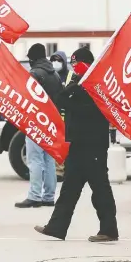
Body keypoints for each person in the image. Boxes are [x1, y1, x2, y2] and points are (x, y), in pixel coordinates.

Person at [34, 47, 119, 242]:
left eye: (77, 63)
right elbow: (63, 101)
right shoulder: (78, 82)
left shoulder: (97, 85)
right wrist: (72, 87)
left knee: (100, 190)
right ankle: (57, 227)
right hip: (77, 145)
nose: (74, 67)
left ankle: (109, 229)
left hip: (93, 147)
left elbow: (81, 108)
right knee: (69, 190)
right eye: (72, 64)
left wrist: (71, 92)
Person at [15, 43, 63, 209]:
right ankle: (49, 196)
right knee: (49, 160)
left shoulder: (35, 74)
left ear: (33, 58)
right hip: (51, 123)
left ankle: (34, 196)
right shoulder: (55, 75)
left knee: (34, 159)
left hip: (36, 122)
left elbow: (26, 97)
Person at [49, 51, 75, 182]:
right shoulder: (51, 75)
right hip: (55, 116)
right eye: (53, 60)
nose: (56, 63)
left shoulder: (71, 75)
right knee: (57, 145)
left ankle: (69, 170)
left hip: (69, 116)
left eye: (59, 60)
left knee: (68, 145)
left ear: (64, 62)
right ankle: (59, 171)